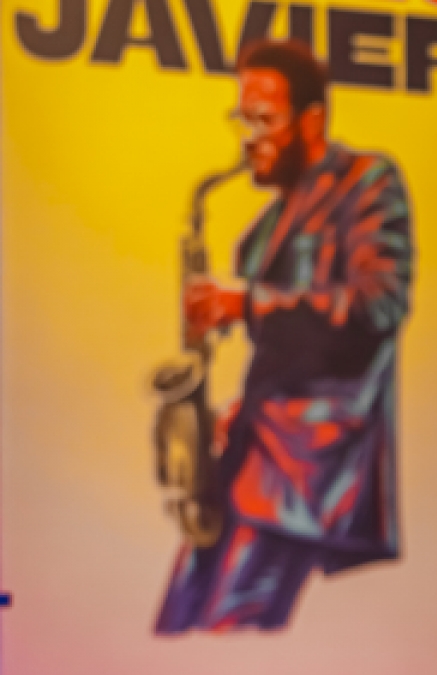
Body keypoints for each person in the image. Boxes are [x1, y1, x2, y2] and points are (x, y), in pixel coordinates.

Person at [154, 39, 413, 633]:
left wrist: (245, 301)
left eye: (263, 119)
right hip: (256, 452)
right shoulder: (262, 230)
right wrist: (240, 407)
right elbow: (289, 348)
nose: (248, 137)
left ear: (311, 120)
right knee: (179, 621)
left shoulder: (366, 181)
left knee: (225, 631)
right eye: (242, 118)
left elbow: (378, 305)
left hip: (308, 463)